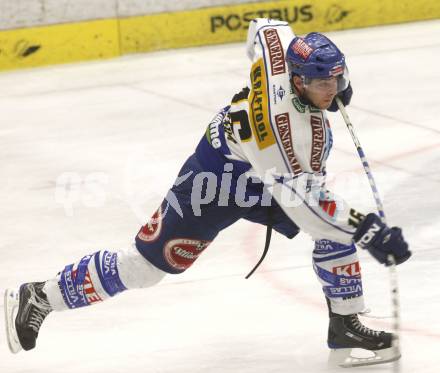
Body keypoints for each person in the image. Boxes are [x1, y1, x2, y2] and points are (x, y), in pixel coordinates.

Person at [4, 18, 411, 367]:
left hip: (263, 169)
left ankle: (344, 324)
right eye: (326, 82)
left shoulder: (280, 47)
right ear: (299, 80)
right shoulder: (286, 133)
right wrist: (368, 229)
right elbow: (306, 206)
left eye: (339, 77)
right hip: (216, 180)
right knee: (145, 268)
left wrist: (330, 86)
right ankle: (40, 296)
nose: (334, 88)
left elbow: (261, 26)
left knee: (333, 230)